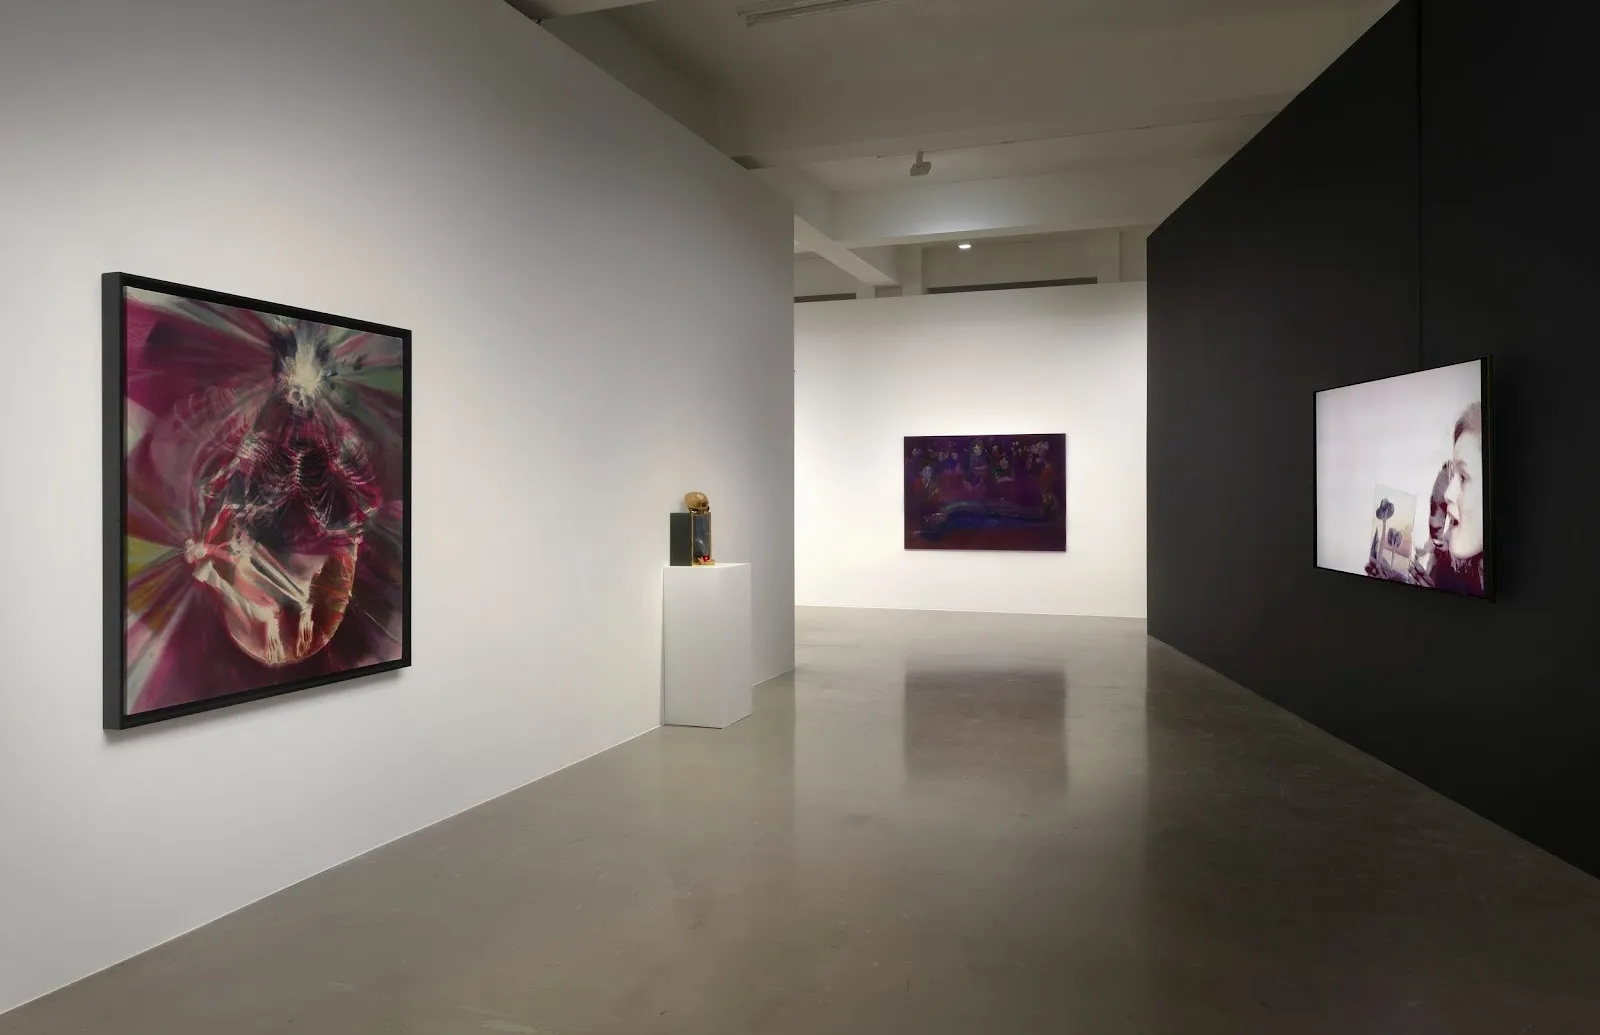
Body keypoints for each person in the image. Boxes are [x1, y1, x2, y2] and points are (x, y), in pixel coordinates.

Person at [1366, 402, 1486, 595]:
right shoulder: (1431, 562)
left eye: (1463, 478)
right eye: (1432, 509)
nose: (1435, 523)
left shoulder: (1471, 568)